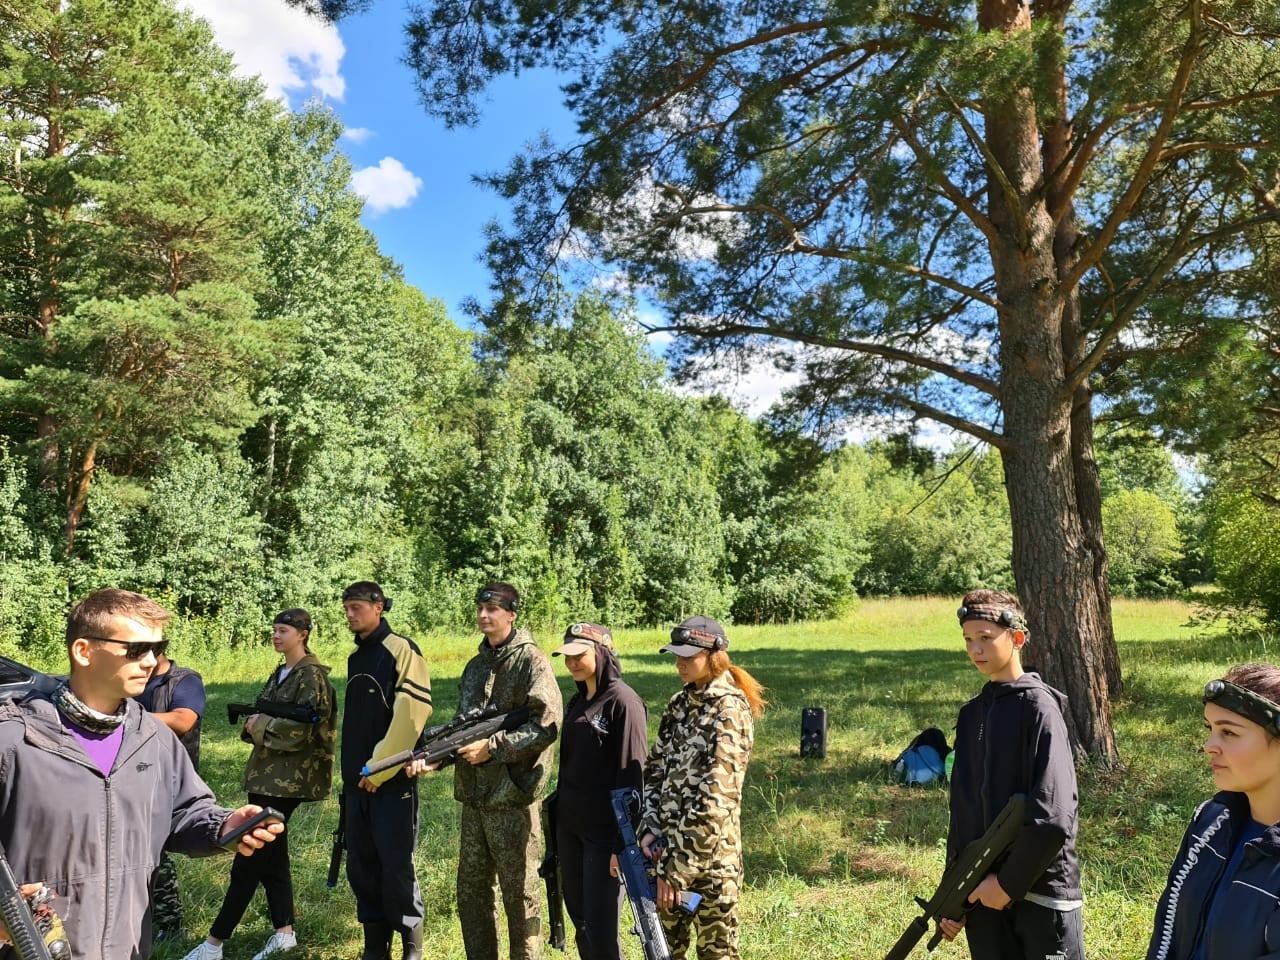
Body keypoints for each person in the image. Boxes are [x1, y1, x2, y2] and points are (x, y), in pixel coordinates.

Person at [0, 588, 282, 959]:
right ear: (83, 651)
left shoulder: (154, 738)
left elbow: (184, 812)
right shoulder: (14, 738)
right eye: (135, 650)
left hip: (128, 947)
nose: (150, 661)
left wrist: (222, 826)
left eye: (157, 647)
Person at [183, 608, 337, 960]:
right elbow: (264, 718)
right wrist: (256, 722)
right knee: (272, 856)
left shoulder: (310, 676)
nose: (276, 636)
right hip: (268, 776)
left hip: (288, 780)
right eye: (274, 630)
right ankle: (285, 933)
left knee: (248, 856)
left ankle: (214, 943)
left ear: (303, 634)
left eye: (283, 630)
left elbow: (306, 730)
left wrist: (260, 725)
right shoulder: (282, 672)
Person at [938, 589, 1084, 960]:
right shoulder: (972, 715)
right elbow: (964, 812)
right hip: (981, 897)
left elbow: (1053, 816)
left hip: (1040, 894)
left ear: (1016, 638)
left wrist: (1005, 885)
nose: (976, 649)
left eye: (986, 638)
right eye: (969, 640)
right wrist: (954, 892)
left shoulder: (1039, 708)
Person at [423, 582, 562, 960]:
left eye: (494, 609)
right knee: (471, 892)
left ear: (512, 614)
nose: (484, 616)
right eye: (481, 609)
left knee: (521, 895)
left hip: (512, 799)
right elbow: (464, 729)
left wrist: (494, 749)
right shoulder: (475, 666)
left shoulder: (531, 662)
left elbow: (546, 725)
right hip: (475, 801)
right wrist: (438, 757)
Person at [638, 615, 765, 960]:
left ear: (715, 655)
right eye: (676, 655)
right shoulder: (679, 706)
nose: (679, 663)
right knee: (664, 953)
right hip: (665, 857)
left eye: (688, 656)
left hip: (711, 868)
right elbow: (654, 773)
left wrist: (676, 871)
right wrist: (650, 827)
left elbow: (716, 801)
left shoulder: (729, 711)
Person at [1146, 663, 1280, 960]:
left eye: (1229, 733)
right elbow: (1167, 931)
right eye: (1211, 729)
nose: (1209, 745)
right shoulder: (1210, 822)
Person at [341, 581, 432, 960]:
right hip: (356, 786)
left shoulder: (402, 650)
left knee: (396, 867)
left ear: (378, 607)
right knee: (362, 867)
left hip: (391, 783)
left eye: (356, 607)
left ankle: (411, 946)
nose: (350, 614)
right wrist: (355, 776)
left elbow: (412, 715)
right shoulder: (355, 658)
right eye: (346, 608)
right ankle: (375, 948)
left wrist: (378, 769)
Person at [550, 622, 648, 960]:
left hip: (605, 836)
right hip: (570, 828)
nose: (572, 662)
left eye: (580, 655)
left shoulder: (624, 702)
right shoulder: (577, 701)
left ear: (602, 653)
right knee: (581, 923)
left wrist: (622, 846)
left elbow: (632, 779)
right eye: (567, 656)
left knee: (601, 926)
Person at [134, 640, 208, 942]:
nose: (142, 662)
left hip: (169, 777)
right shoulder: (135, 683)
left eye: (145, 654)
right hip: (133, 774)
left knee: (157, 851)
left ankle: (170, 924)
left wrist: (127, 716)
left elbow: (182, 720)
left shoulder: (184, 680)